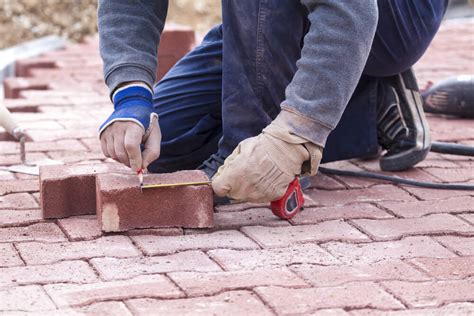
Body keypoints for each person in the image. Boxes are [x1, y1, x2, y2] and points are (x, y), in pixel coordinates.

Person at [97, 0, 448, 203]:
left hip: (393, 16)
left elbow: (349, 9)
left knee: (253, 162)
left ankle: (255, 142)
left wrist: (295, 134)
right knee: (169, 140)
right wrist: (131, 95)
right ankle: (371, 102)